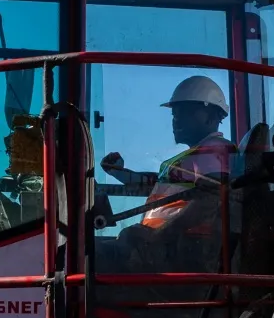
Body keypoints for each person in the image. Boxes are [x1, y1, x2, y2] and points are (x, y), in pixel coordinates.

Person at [101, 75, 237, 268]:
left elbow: (210, 199)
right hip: (160, 246)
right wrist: (120, 173)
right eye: (174, 114)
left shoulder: (215, 150)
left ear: (212, 116)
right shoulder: (196, 156)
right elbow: (160, 186)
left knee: (88, 256)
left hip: (174, 251)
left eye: (186, 113)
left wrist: (159, 236)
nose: (176, 120)